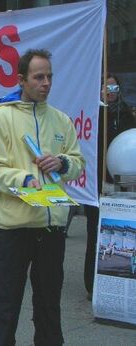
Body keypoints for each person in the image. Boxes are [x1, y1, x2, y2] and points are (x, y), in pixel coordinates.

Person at [0, 48, 85, 346]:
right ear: (21, 80)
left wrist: (62, 163)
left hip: (52, 228)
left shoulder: (61, 120)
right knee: (5, 306)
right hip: (13, 229)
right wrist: (24, 180)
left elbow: (77, 163)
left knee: (49, 306)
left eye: (49, 76)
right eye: (38, 77)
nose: (46, 83)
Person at [84, 73, 135, 301]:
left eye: (114, 88)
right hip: (98, 184)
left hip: (123, 185)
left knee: (121, 235)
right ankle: (91, 282)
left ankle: (120, 278)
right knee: (95, 233)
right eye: (106, 87)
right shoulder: (95, 114)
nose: (110, 92)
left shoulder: (126, 115)